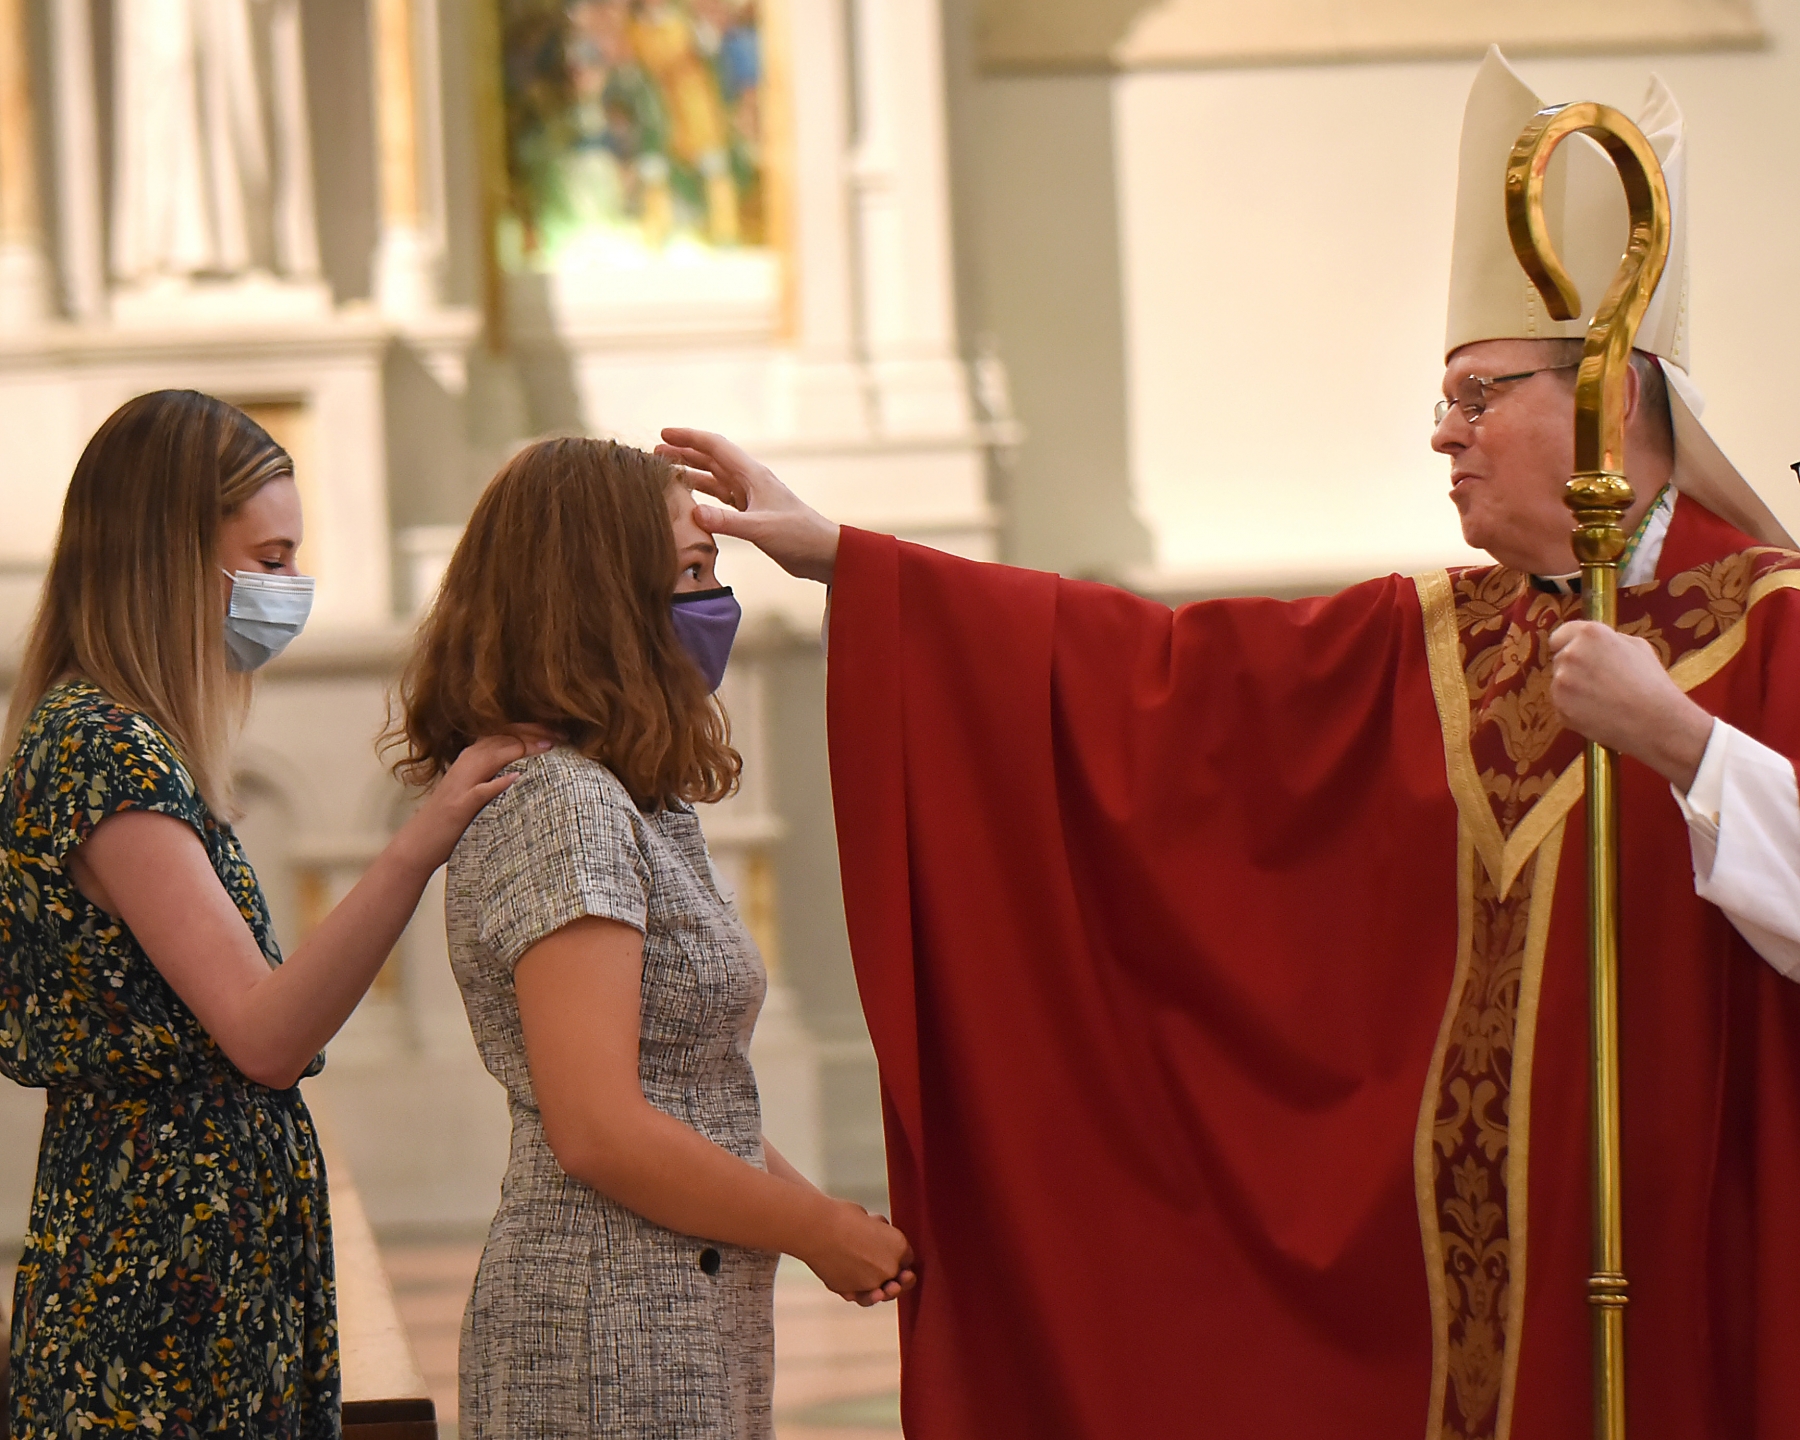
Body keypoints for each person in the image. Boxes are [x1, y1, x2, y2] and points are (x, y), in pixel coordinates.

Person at [653, 48, 1800, 1440]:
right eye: (1445, 400)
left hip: (1715, 1263)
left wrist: (1683, 745)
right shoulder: (1455, 634)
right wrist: (851, 559)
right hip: (1482, 1306)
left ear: (1614, 402)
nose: (1442, 436)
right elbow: (1159, 684)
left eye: (1478, 396)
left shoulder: (1777, 628)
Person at [0, 390, 545, 1438]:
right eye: (271, 555)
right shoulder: (100, 748)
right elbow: (265, 1033)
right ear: (170, 556)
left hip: (197, 1269)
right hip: (157, 1291)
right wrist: (423, 836)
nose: (291, 589)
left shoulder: (135, 744)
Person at [386, 437, 914, 1440]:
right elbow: (600, 1128)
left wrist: (830, 1226)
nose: (717, 607)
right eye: (690, 574)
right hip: (603, 1325)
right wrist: (817, 1230)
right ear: (597, 595)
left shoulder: (637, 797)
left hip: (674, 1308)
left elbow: (689, 1099)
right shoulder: (567, 806)